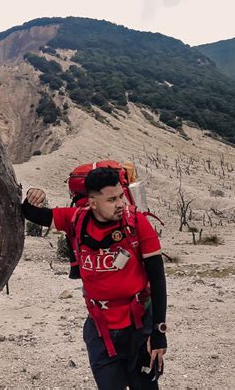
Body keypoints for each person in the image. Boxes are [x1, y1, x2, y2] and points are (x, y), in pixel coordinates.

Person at [22, 167, 168, 389]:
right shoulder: (75, 220)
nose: (120, 204)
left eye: (121, 196)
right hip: (101, 330)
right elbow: (32, 214)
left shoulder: (137, 223)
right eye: (111, 199)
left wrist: (158, 332)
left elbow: (158, 279)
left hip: (139, 326)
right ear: (92, 203)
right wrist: (32, 197)